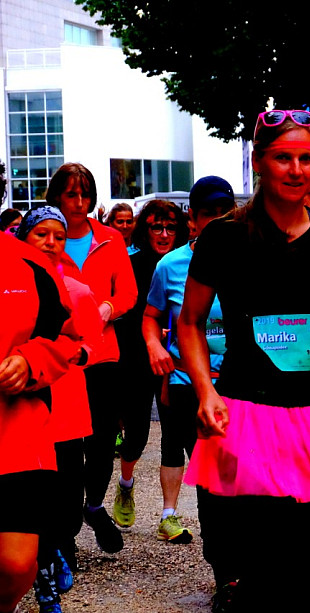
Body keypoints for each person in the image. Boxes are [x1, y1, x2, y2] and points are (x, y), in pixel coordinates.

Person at [177, 109, 310, 612]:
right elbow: (190, 321)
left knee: (304, 570)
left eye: (307, 159)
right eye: (284, 158)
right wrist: (205, 391)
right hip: (248, 412)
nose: (297, 170)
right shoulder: (224, 236)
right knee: (258, 569)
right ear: (259, 162)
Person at [47, 162, 137, 556]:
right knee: (66, 446)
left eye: (85, 194)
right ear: (56, 196)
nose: (80, 202)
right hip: (62, 358)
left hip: (103, 354)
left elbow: (128, 293)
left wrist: (107, 308)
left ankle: (94, 505)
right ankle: (64, 532)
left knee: (102, 442)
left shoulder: (110, 239)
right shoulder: (46, 236)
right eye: (71, 194)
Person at [17, 207, 103, 613]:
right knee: (33, 492)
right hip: (24, 406)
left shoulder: (76, 290)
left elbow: (92, 341)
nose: (51, 243)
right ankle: (42, 564)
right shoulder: (12, 285)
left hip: (66, 404)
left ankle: (61, 547)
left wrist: (78, 353)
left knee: (68, 487)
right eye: (41, 234)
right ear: (23, 237)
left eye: (59, 236)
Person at [143, 178, 234, 548]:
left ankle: (230, 536)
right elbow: (151, 316)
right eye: (209, 213)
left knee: (230, 463)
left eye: (225, 212)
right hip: (186, 377)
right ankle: (177, 518)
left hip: (238, 379)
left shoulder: (252, 260)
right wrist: (155, 346)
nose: (218, 220)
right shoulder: (170, 266)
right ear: (193, 219)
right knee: (195, 453)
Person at [0, 231, 80, 613]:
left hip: (15, 431)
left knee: (16, 563)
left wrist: (30, 360)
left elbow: (67, 337)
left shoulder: (28, 263)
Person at [111, 200, 189, 536]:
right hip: (136, 360)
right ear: (145, 230)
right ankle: (126, 484)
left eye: (171, 227)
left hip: (177, 362)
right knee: (137, 437)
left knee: (174, 434)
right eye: (157, 227)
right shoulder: (131, 264)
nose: (164, 234)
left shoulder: (188, 264)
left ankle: (168, 515)